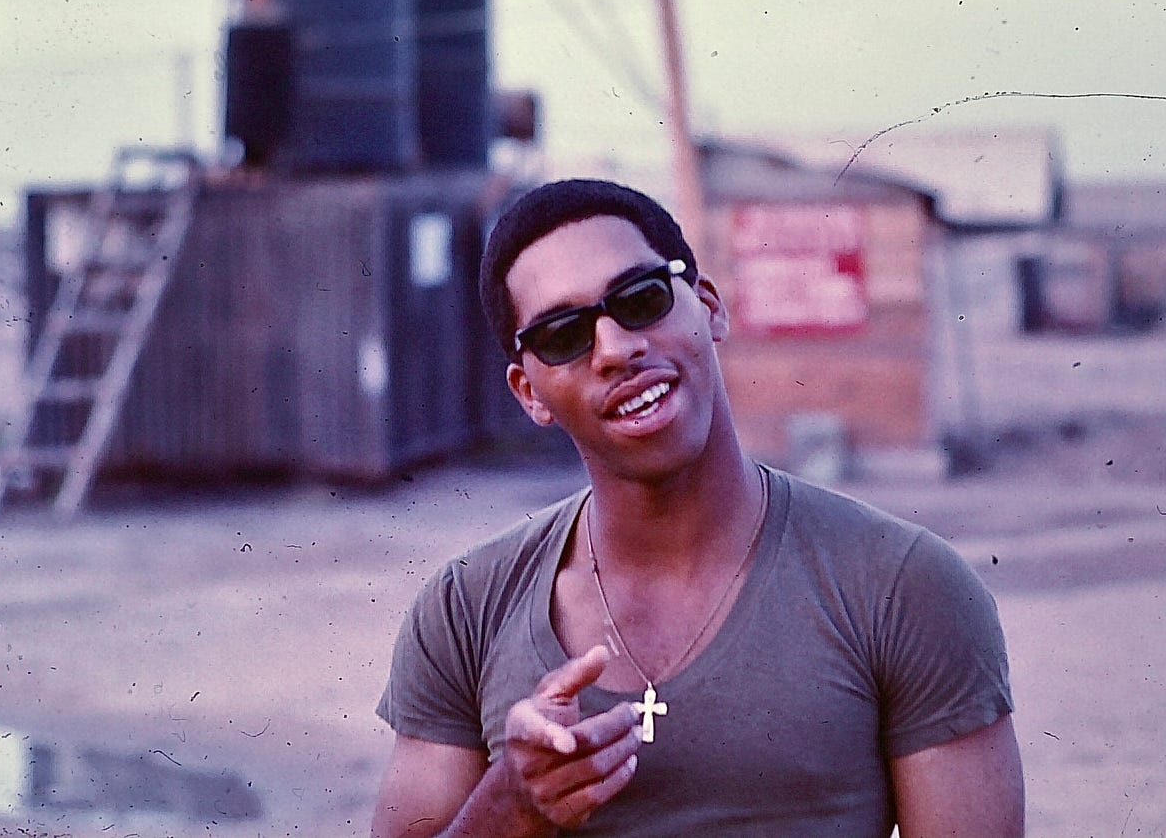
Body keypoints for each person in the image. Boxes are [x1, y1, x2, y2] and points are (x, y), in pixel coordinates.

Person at [371, 179, 1024, 837]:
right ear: (529, 392)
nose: (617, 348)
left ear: (708, 306)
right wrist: (505, 806)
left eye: (642, 299)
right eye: (564, 334)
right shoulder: (466, 609)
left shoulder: (901, 586)